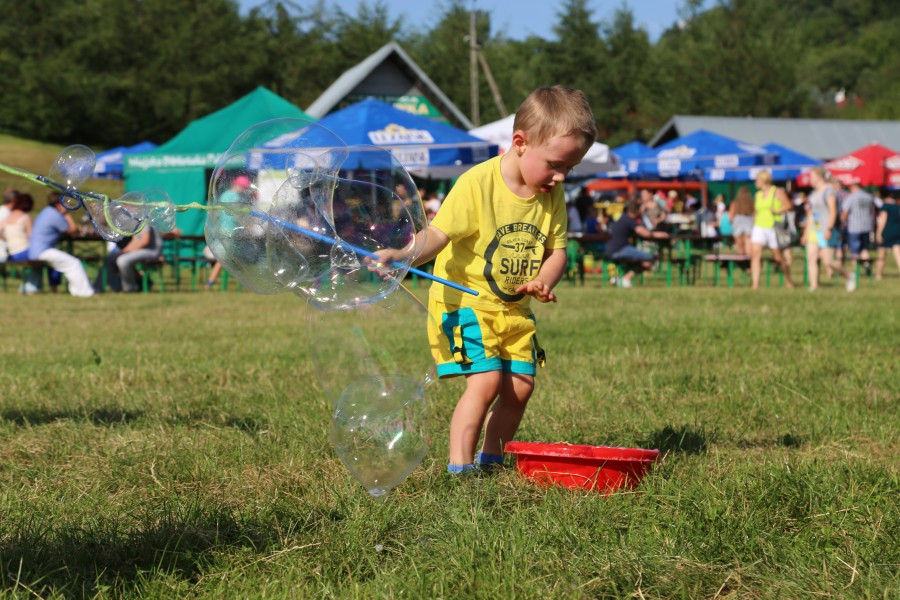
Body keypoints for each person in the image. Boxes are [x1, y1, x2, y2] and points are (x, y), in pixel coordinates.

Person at [372, 86, 595, 474]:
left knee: (521, 387)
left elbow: (556, 251)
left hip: (513, 310)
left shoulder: (550, 195)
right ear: (520, 143)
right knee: (487, 380)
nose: (561, 177)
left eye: (570, 170)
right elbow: (439, 236)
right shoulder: (477, 184)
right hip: (464, 304)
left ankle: (491, 460)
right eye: (556, 164)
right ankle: (460, 468)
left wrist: (544, 280)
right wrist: (403, 255)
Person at [26, 192, 94, 297]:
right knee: (74, 263)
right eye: (65, 204)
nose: (68, 206)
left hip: (36, 250)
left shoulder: (46, 212)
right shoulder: (54, 214)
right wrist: (66, 213)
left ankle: (78, 291)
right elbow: (73, 230)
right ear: (59, 204)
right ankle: (84, 293)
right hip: (42, 251)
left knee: (69, 263)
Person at [605, 200, 669, 288]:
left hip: (610, 249)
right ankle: (626, 278)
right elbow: (645, 233)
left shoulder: (623, 218)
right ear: (637, 210)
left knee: (637, 260)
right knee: (651, 258)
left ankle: (620, 278)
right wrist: (658, 234)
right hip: (620, 250)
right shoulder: (629, 220)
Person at [803, 167, 847, 291]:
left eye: (811, 176)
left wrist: (829, 228)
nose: (810, 179)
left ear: (818, 177)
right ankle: (814, 286)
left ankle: (849, 276)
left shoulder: (829, 192)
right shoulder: (813, 194)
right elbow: (811, 215)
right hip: (814, 230)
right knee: (811, 257)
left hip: (827, 229)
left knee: (828, 262)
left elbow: (833, 212)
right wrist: (806, 233)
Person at [749, 170, 794, 289]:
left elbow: (789, 205)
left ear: (764, 180)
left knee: (778, 257)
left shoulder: (777, 192)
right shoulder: (757, 195)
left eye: (757, 180)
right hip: (759, 227)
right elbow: (756, 211)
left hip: (773, 227)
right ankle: (755, 285)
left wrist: (777, 211)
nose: (755, 183)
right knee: (756, 255)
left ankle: (788, 280)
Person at [100, 226, 163, 292]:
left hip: (152, 251)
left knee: (122, 260)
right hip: (143, 250)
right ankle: (99, 287)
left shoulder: (144, 221)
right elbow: (135, 241)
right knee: (114, 257)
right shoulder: (137, 221)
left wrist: (125, 252)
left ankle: (130, 288)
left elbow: (145, 241)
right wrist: (124, 251)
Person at [841, 179, 875, 291]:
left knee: (854, 251)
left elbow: (845, 212)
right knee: (864, 248)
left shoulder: (851, 197)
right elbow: (873, 211)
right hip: (866, 226)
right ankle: (866, 265)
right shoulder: (868, 196)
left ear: (853, 187)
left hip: (854, 227)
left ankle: (855, 272)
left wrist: (841, 224)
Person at [0, 191, 33, 262]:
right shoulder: (5, 213)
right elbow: (30, 236)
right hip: (18, 250)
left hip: (11, 251)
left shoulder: (6, 214)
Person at [875, 193, 900, 280]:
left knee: (882, 254)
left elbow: (883, 220)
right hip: (897, 231)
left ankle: (878, 275)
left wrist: (878, 233)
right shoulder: (898, 207)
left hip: (887, 232)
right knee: (898, 254)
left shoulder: (885, 206)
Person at [728, 186, 754, 255]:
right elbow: (755, 214)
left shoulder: (734, 203)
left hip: (737, 222)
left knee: (740, 246)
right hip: (749, 221)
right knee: (748, 243)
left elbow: (730, 217)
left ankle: (742, 262)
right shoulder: (751, 203)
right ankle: (749, 261)